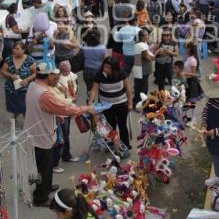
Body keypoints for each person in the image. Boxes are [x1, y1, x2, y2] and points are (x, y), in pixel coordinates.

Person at [24, 63, 95, 206]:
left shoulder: (34, 86)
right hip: (41, 135)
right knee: (43, 167)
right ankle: (40, 197)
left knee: (47, 164)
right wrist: (86, 108)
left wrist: (56, 114)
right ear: (48, 76)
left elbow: (46, 109)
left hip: (37, 133)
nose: (56, 79)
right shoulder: (44, 94)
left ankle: (46, 187)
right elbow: (65, 108)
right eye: (54, 76)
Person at [88, 57, 132, 152]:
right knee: (110, 126)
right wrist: (90, 102)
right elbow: (94, 90)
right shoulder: (99, 74)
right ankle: (112, 143)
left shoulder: (121, 73)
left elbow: (128, 89)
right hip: (106, 105)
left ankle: (125, 144)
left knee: (122, 124)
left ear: (115, 68)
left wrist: (130, 103)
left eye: (109, 67)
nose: (106, 69)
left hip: (121, 104)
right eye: (105, 67)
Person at [1, 40, 36, 118]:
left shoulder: (29, 60)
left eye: (17, 49)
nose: (14, 50)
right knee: (14, 107)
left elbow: (35, 73)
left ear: (23, 50)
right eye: (14, 48)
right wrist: (10, 75)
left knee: (25, 108)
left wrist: (27, 80)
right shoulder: (8, 59)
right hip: (11, 89)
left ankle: (26, 122)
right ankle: (15, 116)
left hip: (25, 89)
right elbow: (2, 71)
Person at [133, 29, 154, 109]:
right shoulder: (142, 45)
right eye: (146, 35)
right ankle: (140, 104)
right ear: (142, 37)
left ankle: (137, 102)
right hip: (142, 70)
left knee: (139, 87)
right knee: (142, 88)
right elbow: (147, 57)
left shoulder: (139, 44)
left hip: (139, 69)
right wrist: (155, 55)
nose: (148, 36)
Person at [81, 29, 108, 93]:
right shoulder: (102, 48)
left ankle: (89, 101)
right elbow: (107, 60)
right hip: (98, 71)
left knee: (89, 89)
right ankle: (100, 101)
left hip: (87, 70)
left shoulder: (84, 46)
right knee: (100, 89)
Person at [183, 42, 202, 125]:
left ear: (190, 49)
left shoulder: (193, 60)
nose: (185, 50)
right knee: (186, 100)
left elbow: (194, 74)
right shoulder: (189, 58)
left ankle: (193, 119)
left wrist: (183, 73)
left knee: (192, 102)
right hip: (187, 81)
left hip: (192, 82)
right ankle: (185, 117)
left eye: (186, 48)